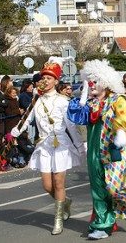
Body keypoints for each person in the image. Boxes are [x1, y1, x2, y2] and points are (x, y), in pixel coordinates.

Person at [11, 57, 84, 235]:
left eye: (49, 78)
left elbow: (71, 127)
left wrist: (79, 146)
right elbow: (26, 119)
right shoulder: (37, 100)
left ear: (56, 81)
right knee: (47, 185)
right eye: (43, 77)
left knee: (59, 183)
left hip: (60, 145)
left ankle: (58, 219)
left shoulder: (62, 101)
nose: (45, 80)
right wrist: (15, 131)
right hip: (44, 144)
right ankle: (65, 202)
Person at [68, 60, 126, 240]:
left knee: (114, 188)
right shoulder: (90, 104)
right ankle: (102, 224)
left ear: (105, 82)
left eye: (95, 80)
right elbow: (75, 115)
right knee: (98, 189)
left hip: (115, 152)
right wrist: (83, 95)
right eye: (89, 80)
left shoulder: (117, 100)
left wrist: (122, 134)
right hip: (94, 151)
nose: (91, 84)